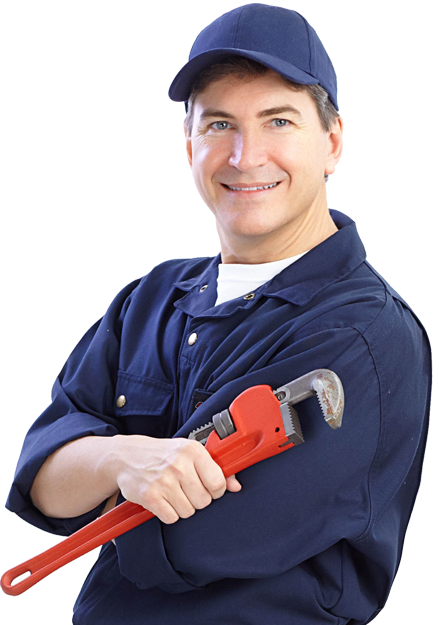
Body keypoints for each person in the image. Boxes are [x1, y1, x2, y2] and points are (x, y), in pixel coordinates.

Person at [5, 5, 431, 625]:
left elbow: (192, 540)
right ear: (190, 146)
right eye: (219, 124)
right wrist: (121, 461)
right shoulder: (147, 300)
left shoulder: (363, 337)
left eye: (278, 120)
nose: (244, 154)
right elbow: (40, 479)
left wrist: (93, 475)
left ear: (332, 143)